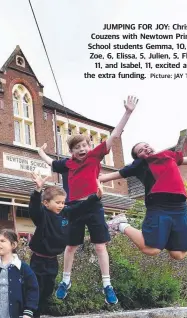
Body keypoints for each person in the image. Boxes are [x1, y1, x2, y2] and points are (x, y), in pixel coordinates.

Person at [37, 96, 138, 305]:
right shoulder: (68, 164)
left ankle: (107, 285)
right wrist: (40, 151)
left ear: (89, 146)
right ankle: (66, 281)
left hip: (93, 204)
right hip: (73, 207)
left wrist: (127, 113)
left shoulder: (94, 156)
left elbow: (114, 136)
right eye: (77, 148)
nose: (81, 149)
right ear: (71, 151)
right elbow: (51, 162)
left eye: (84, 145)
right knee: (71, 247)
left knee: (100, 246)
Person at [100, 144, 187, 259]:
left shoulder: (168, 155)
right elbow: (113, 175)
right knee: (151, 249)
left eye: (146, 146)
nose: (146, 149)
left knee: (178, 255)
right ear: (138, 158)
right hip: (159, 206)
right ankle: (120, 224)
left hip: (179, 207)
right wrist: (90, 177)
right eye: (141, 150)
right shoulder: (139, 165)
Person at [28, 173, 104, 318]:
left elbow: (81, 206)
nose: (61, 205)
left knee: (49, 287)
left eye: (63, 202)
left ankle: (41, 308)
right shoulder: (42, 215)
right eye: (57, 202)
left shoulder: (65, 214)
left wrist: (96, 196)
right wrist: (38, 191)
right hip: (38, 259)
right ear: (46, 203)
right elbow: (34, 209)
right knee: (37, 286)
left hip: (53, 260)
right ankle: (32, 312)